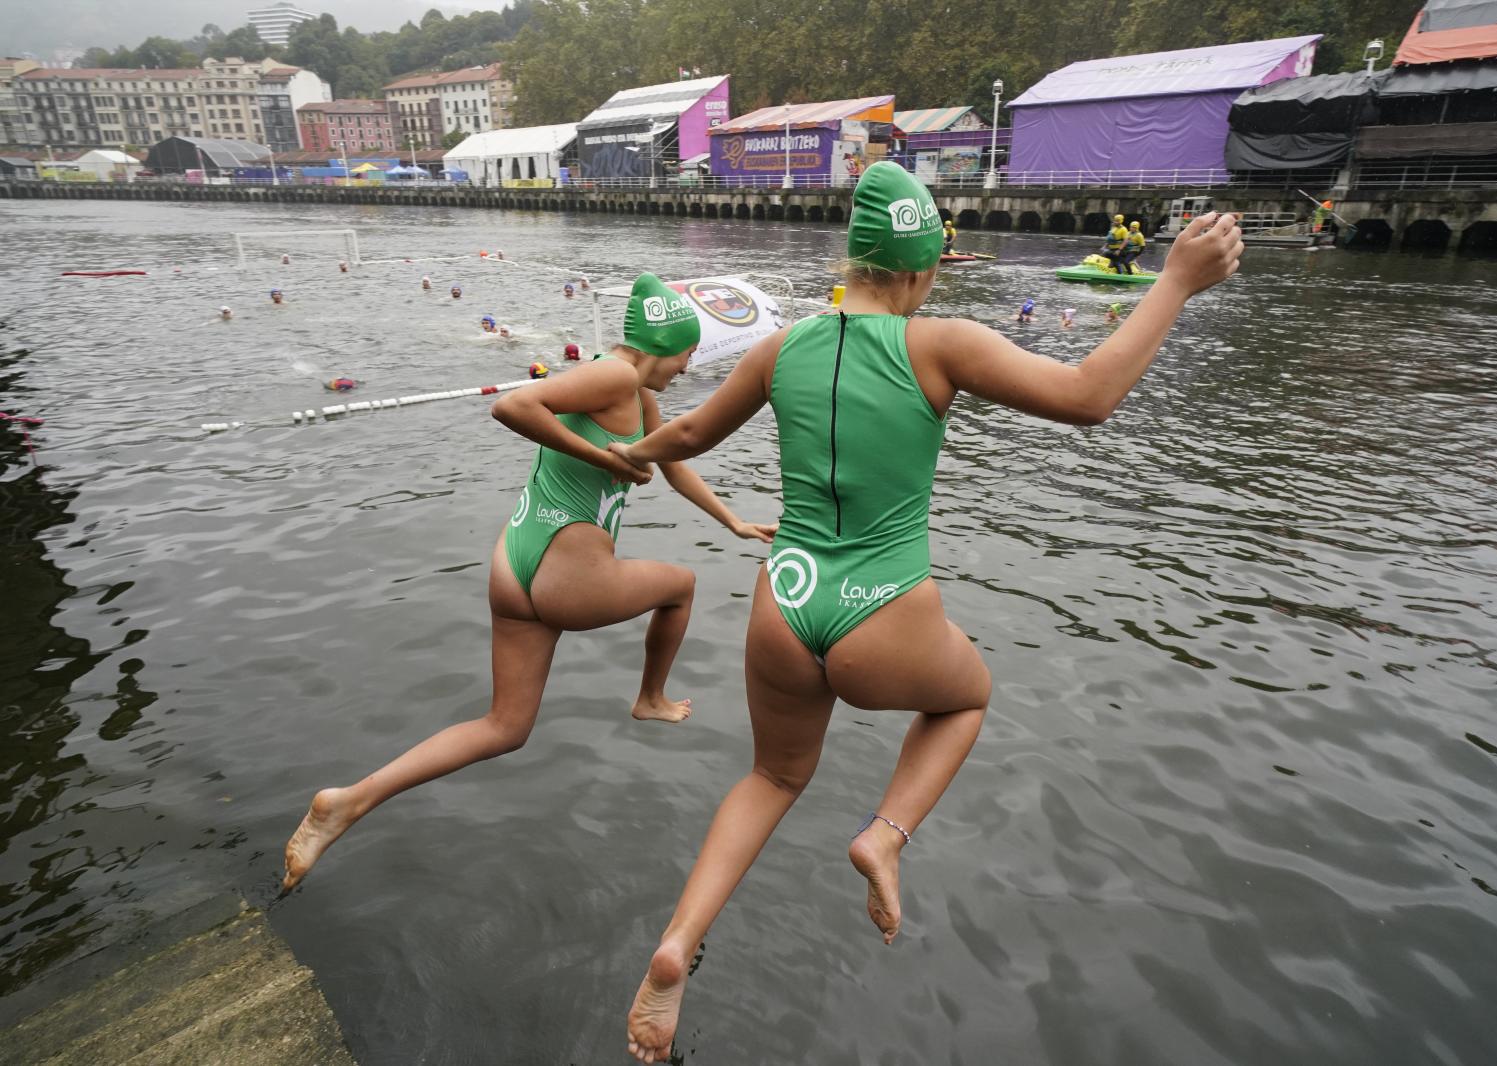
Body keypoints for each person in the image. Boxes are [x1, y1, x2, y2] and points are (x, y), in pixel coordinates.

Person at [615, 161, 1244, 1063]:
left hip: (783, 603)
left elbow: (683, 437)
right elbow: (1088, 397)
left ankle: (677, 943)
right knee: (965, 698)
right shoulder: (940, 343)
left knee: (772, 779)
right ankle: (885, 834)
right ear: (921, 271)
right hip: (885, 611)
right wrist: (1175, 280)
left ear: (856, 260)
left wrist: (624, 453)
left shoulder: (782, 346)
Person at [281, 273, 779, 894]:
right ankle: (650, 697)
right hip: (569, 574)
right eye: (684, 357)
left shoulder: (634, 391)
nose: (685, 369)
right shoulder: (618, 377)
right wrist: (611, 460)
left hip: (516, 563)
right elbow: (513, 406)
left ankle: (347, 802)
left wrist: (731, 520)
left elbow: (671, 461)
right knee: (681, 584)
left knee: (504, 728)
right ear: (659, 348)